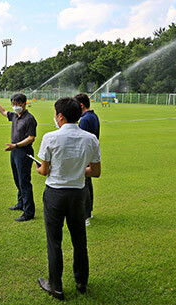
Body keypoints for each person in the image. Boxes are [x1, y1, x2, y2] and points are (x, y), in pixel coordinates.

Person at [34, 97, 101, 300]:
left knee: (54, 240)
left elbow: (44, 170)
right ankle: (81, 281)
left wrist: (38, 168)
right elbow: (95, 172)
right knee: (79, 239)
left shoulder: (50, 137)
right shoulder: (90, 139)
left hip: (55, 193)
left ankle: (56, 286)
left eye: (55, 114)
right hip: (78, 193)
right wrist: (79, 169)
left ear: (60, 116)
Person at [0, 93, 37, 222]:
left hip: (23, 151)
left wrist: (16, 145)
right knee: (17, 179)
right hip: (14, 151)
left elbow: (31, 138)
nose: (15, 106)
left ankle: (29, 211)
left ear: (24, 103)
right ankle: (21, 203)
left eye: (18, 104)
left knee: (24, 181)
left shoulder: (29, 119)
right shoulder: (15, 116)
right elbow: (3, 111)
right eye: (13, 104)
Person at [75, 93, 100, 226]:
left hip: (85, 155)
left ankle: (85, 216)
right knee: (88, 184)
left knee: (83, 185)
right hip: (91, 154)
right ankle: (88, 211)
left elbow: (81, 140)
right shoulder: (93, 116)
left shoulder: (84, 120)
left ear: (81, 105)